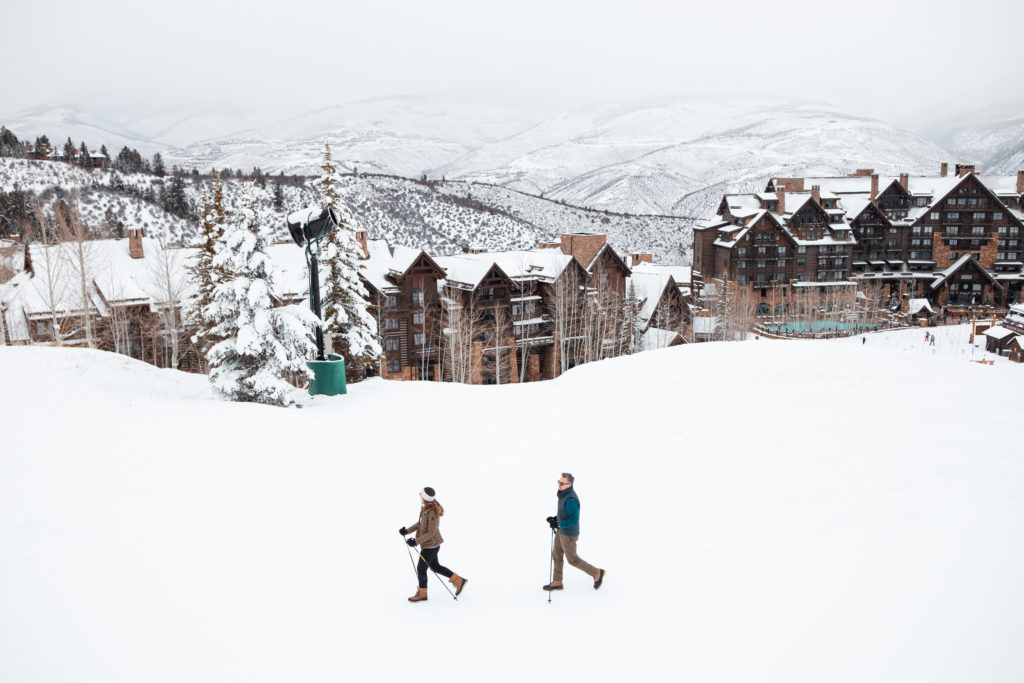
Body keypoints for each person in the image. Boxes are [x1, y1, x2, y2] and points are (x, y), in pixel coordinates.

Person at [400, 487, 467, 602]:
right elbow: (420, 524)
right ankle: (458, 580)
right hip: (429, 545)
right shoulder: (426, 507)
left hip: (431, 545)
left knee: (421, 569)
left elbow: (431, 533)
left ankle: (422, 594)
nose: (419, 495)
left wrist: (416, 541)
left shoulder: (432, 512)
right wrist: (407, 531)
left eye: (421, 494)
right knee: (435, 567)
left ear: (424, 497)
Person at [544, 473, 605, 591]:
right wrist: (556, 519)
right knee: (556, 554)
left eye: (562, 483)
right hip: (561, 531)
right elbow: (565, 513)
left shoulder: (571, 499)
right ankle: (557, 581)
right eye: (559, 482)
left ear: (569, 484)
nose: (559, 485)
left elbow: (574, 520)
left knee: (573, 560)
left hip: (569, 534)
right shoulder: (563, 495)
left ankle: (597, 572)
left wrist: (560, 524)